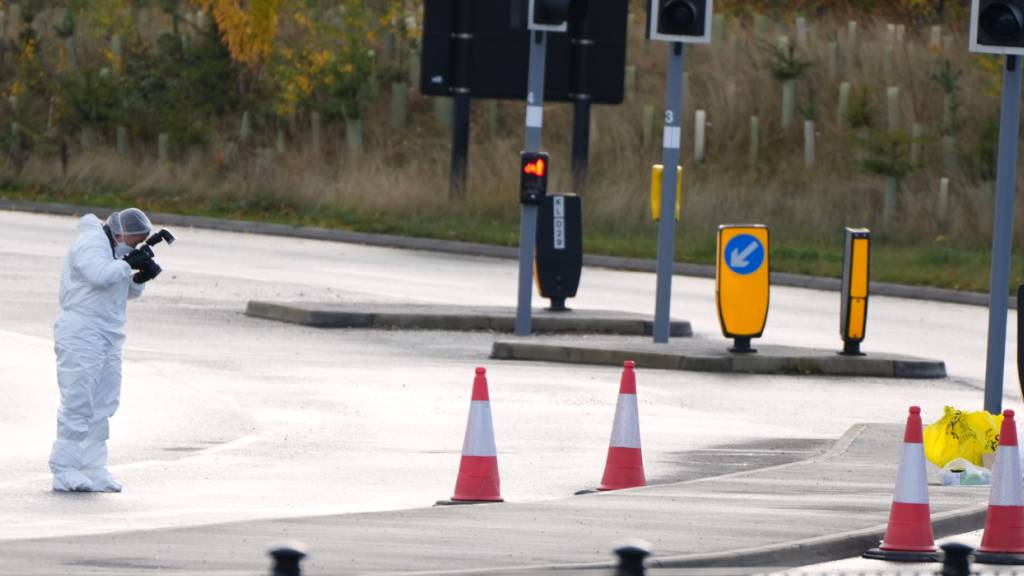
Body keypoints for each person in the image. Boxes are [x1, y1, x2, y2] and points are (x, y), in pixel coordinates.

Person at [49, 208, 161, 492]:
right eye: (133, 242)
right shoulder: (90, 243)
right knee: (79, 401)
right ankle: (65, 469)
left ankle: (93, 466)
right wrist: (127, 263)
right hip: (80, 331)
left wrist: (139, 277)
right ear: (120, 233)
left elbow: (121, 288)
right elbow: (99, 275)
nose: (132, 247)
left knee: (104, 402)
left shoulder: (113, 247)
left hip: (109, 333)